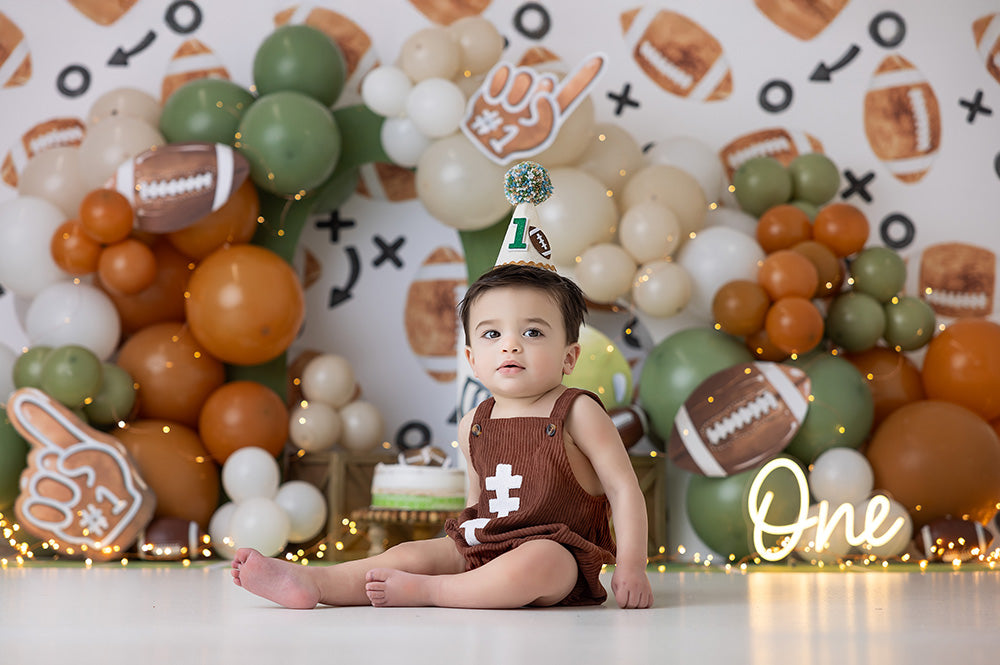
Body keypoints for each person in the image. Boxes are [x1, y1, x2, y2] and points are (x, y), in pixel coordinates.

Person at [231, 263, 653, 609]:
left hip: (561, 558)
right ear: (471, 358)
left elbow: (623, 489)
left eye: (533, 332)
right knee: (411, 555)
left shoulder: (577, 411)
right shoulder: (475, 421)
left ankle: (433, 593)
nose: (511, 346)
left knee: (540, 559)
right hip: (487, 542)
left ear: (569, 356)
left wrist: (631, 565)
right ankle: (315, 582)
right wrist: (458, 552)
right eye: (492, 334)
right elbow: (476, 506)